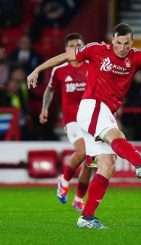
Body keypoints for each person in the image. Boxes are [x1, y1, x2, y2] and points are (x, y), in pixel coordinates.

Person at [27, 23, 141, 229]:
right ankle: (140, 164)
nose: (122, 47)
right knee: (115, 135)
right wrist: (37, 69)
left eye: (126, 43)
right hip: (92, 105)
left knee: (107, 164)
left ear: (132, 43)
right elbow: (66, 56)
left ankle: (86, 217)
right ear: (112, 40)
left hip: (105, 111)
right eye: (119, 42)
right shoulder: (97, 49)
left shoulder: (135, 57)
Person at [39, 33, 93, 211]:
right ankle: (64, 180)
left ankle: (78, 198)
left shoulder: (93, 66)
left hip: (92, 119)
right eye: (72, 45)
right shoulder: (60, 70)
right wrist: (44, 108)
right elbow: (50, 90)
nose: (76, 47)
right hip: (72, 120)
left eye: (79, 44)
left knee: (90, 162)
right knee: (82, 151)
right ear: (66, 50)